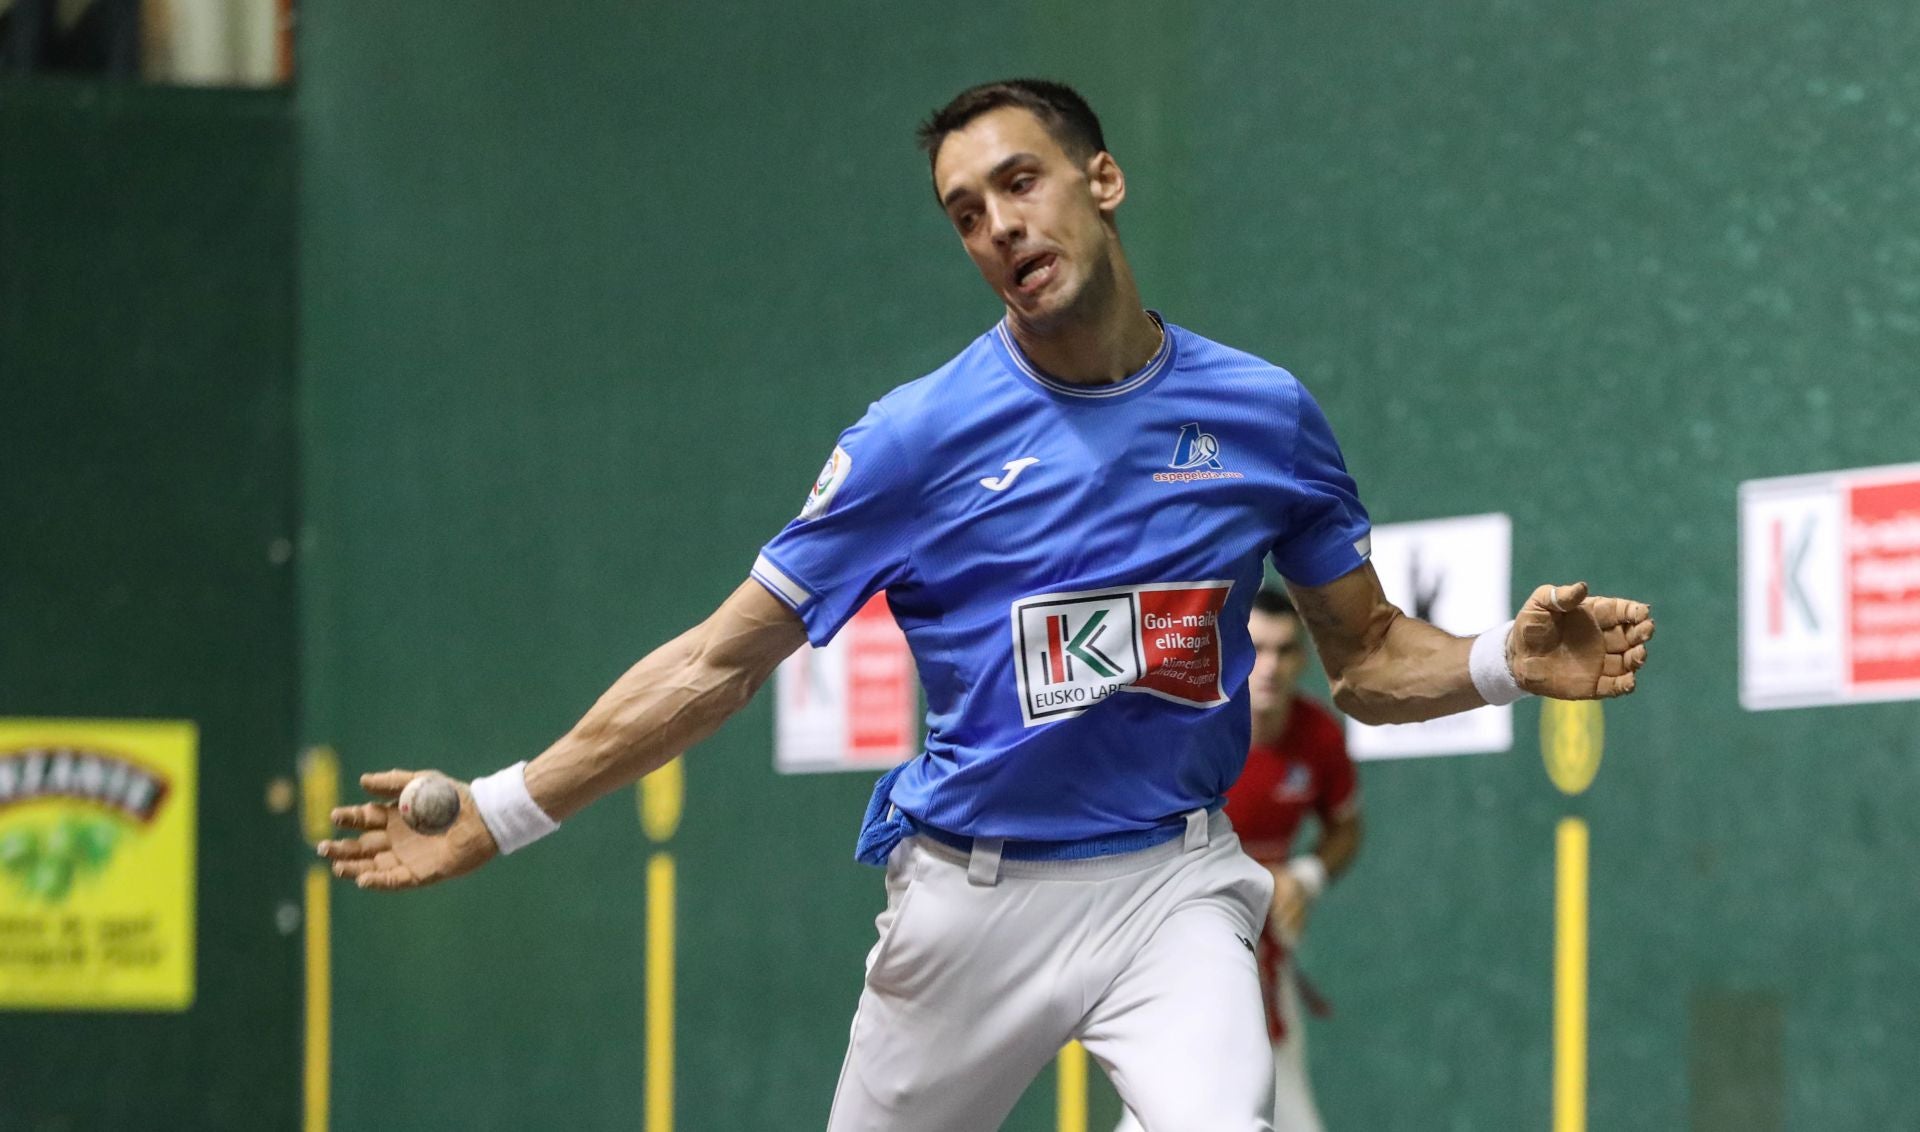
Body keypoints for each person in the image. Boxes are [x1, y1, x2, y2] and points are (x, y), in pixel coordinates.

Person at [318, 79, 1655, 1132]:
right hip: (970, 901)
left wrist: (1495, 660)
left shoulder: (1263, 415)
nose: (999, 223)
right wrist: (502, 809)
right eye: (965, 211)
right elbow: (714, 666)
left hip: (1171, 881)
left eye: (1020, 181)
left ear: (1102, 180)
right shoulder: (916, 441)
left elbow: (1364, 658)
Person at [1112, 586, 1360, 1132]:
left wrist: (1305, 876)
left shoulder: (1317, 735)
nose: (1269, 666)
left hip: (1266, 958)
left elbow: (1346, 827)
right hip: (1178, 950)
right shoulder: (1190, 732)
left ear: (1303, 658)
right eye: (1256, 647)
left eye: (1284, 650)